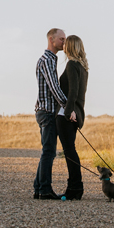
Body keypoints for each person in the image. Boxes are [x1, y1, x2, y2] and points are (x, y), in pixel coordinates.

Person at [33, 27, 66, 200]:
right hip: (47, 112)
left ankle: (39, 187)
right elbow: (54, 87)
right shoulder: (47, 60)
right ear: (51, 40)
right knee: (49, 151)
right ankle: (45, 189)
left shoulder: (49, 59)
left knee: (48, 150)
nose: (64, 42)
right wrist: (68, 106)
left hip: (44, 110)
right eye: (62, 39)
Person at [55, 35, 88, 201]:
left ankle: (74, 188)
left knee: (69, 151)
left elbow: (73, 91)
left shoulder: (72, 64)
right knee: (70, 150)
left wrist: (68, 112)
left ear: (70, 47)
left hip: (67, 115)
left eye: (65, 43)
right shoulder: (83, 67)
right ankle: (75, 188)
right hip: (76, 114)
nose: (63, 46)